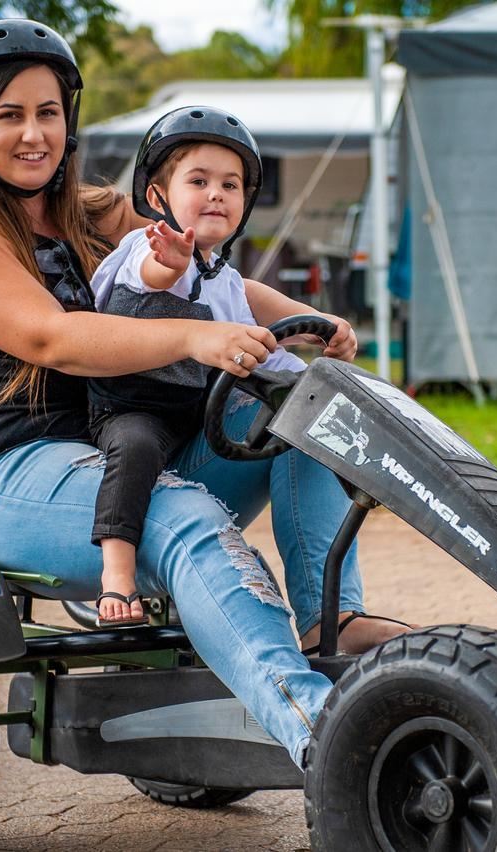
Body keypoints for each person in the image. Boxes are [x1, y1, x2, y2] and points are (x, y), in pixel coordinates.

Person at [0, 18, 408, 767]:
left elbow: (203, 265)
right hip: (4, 483)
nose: (33, 133)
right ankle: (321, 729)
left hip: (115, 452)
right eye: (8, 115)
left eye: (47, 112)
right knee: (180, 513)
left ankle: (326, 620)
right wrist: (191, 338)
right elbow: (53, 339)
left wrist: (307, 324)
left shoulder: (94, 210)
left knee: (303, 413)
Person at [85, 107, 324, 626]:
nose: (216, 193)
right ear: (157, 197)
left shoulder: (229, 282)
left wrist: (312, 362)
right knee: (136, 445)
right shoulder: (144, 249)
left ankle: (328, 613)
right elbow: (147, 279)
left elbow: (262, 351)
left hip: (195, 416)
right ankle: (117, 574)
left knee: (299, 406)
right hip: (130, 406)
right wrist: (166, 262)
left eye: (230, 185)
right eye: (199, 181)